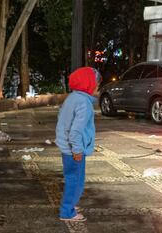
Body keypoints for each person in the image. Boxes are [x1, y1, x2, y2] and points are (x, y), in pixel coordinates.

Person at [55, 67, 101, 222]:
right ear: (88, 84)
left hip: (67, 147)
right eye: (96, 84)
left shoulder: (72, 98)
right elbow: (75, 131)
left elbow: (63, 120)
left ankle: (70, 205)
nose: (97, 88)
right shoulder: (84, 103)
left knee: (72, 178)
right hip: (74, 149)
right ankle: (67, 212)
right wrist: (77, 150)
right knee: (76, 181)